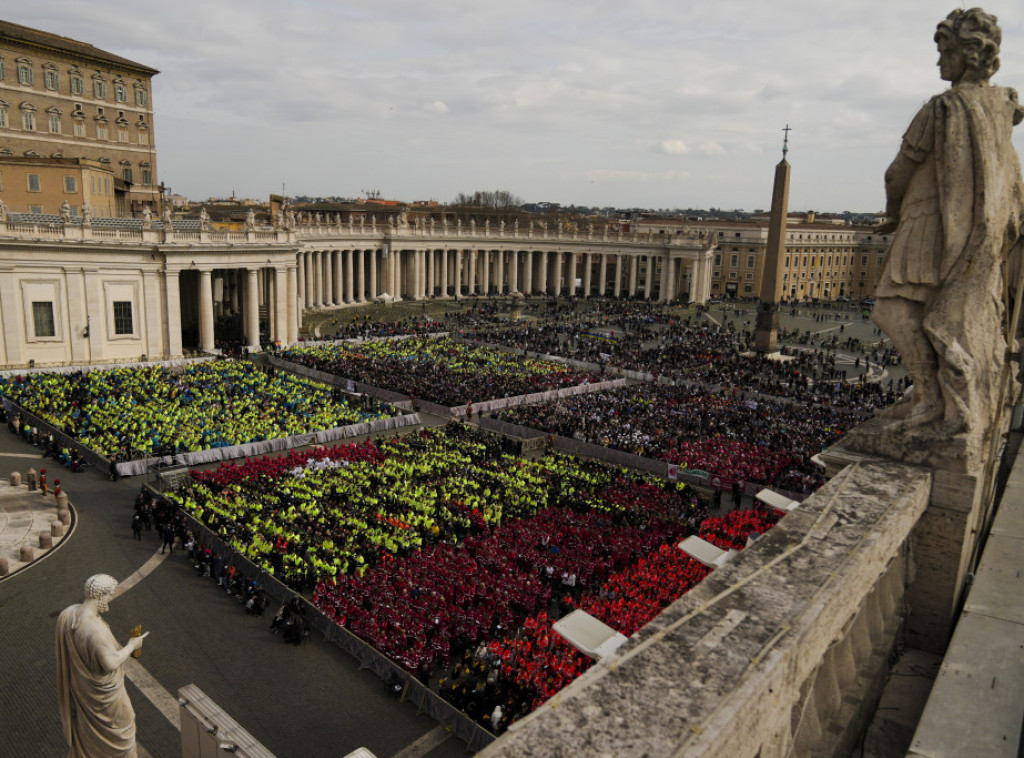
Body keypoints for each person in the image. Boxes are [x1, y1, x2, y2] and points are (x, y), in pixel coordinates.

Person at [870, 8, 1024, 449]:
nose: (940, 63)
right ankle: (928, 395)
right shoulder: (998, 114)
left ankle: (931, 399)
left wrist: (894, 212)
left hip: (927, 224)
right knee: (918, 312)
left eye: (945, 53)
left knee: (893, 310)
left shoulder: (944, 108)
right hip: (966, 230)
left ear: (968, 55)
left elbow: (896, 172)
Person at [55, 574, 149, 758]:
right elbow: (110, 663)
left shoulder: (70, 614)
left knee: (89, 733)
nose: (110, 599)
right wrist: (132, 645)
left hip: (85, 691)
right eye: (109, 595)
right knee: (124, 729)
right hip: (106, 698)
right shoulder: (94, 630)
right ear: (100, 595)